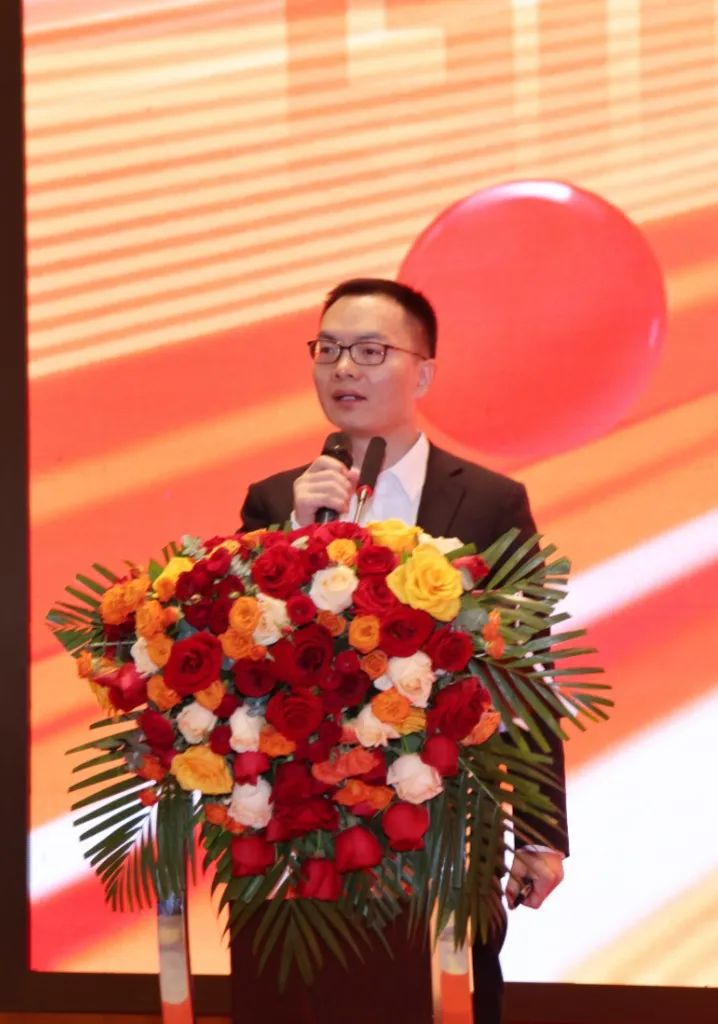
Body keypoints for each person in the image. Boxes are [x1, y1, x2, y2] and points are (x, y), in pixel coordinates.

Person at [240, 277, 568, 1024]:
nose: (343, 369)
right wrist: (294, 535)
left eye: (369, 351)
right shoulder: (276, 499)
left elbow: (527, 671)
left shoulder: (489, 501)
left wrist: (541, 832)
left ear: (423, 373)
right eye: (328, 350)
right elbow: (244, 658)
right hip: (300, 823)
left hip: (442, 819)